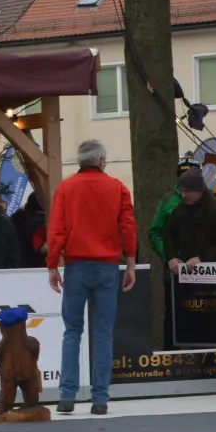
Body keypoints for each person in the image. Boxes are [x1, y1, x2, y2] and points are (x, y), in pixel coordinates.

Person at [47, 139, 136, 415]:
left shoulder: (66, 188)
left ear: (79, 162)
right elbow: (128, 227)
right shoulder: (118, 188)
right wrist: (130, 262)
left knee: (72, 332)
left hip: (75, 267)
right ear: (101, 161)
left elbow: (56, 230)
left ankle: (67, 396)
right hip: (107, 266)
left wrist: (52, 265)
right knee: (103, 335)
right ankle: (100, 399)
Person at [162, 168, 216, 268]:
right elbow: (168, 235)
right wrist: (172, 257)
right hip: (186, 273)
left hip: (215, 274)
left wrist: (203, 258)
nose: (183, 195)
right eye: (182, 191)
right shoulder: (180, 210)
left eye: (187, 191)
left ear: (199, 190)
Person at [149, 157, 202, 264]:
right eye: (183, 175)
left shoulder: (210, 199)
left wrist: (206, 257)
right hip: (176, 268)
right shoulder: (168, 200)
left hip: (206, 269)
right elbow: (155, 233)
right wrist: (169, 256)